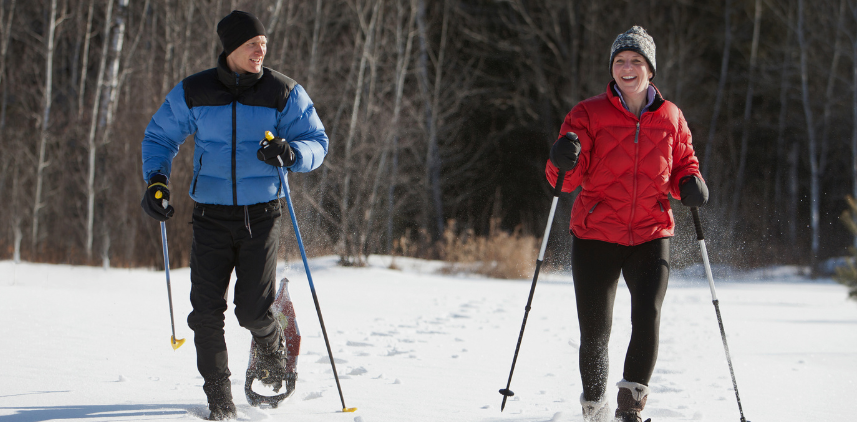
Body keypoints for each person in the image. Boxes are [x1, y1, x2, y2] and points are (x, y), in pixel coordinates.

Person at [140, 10, 328, 420]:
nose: (261, 50)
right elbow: (159, 136)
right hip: (209, 214)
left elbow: (317, 141)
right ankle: (219, 400)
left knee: (252, 310)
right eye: (251, 44)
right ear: (230, 49)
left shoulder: (283, 92)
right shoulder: (195, 91)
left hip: (261, 214)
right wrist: (156, 180)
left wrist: (291, 153)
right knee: (205, 313)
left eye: (263, 43)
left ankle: (273, 342)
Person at [545, 26, 708, 422]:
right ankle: (594, 406)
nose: (627, 67)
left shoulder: (671, 117)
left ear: (650, 70)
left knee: (647, 316)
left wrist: (691, 182)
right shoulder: (587, 113)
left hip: (651, 234)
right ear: (612, 69)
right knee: (596, 330)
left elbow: (684, 163)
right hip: (596, 234)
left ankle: (629, 411)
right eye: (620, 61)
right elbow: (563, 178)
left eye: (636, 61)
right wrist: (561, 157)